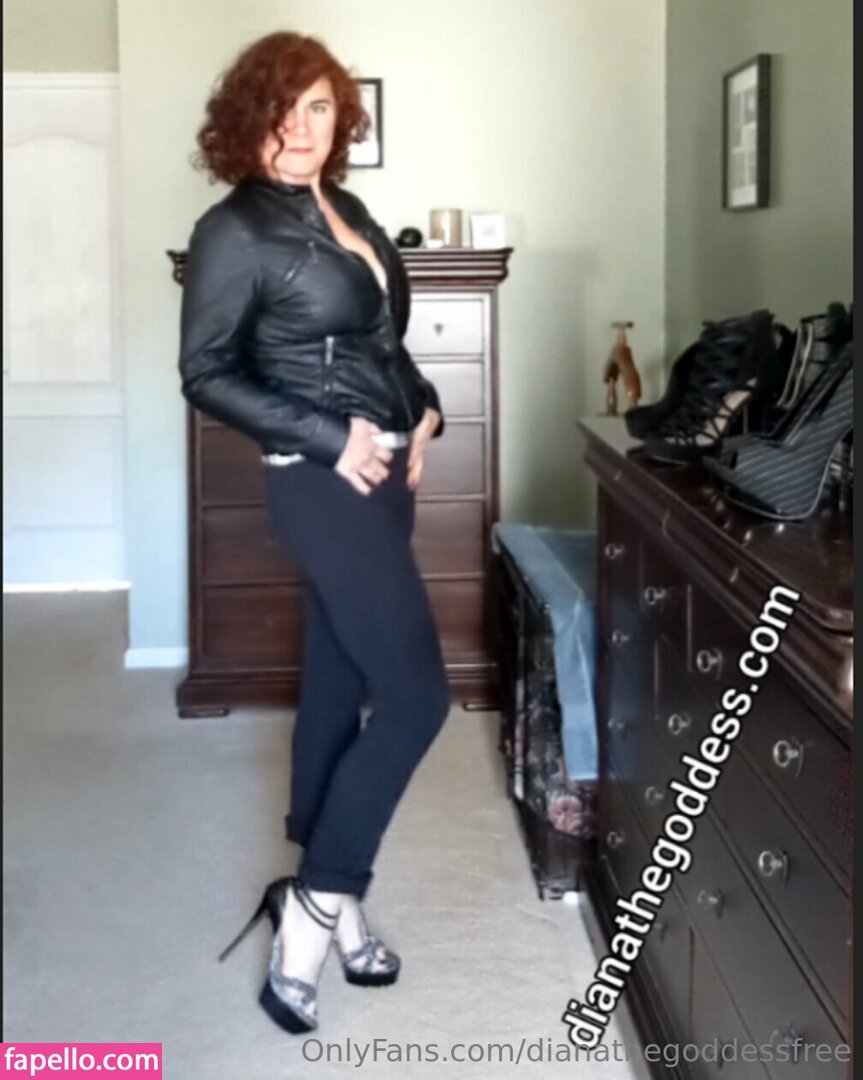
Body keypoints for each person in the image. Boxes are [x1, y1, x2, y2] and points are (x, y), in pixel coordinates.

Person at [177, 31, 451, 1034]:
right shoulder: (230, 230)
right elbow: (205, 373)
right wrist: (335, 438)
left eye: (321, 109)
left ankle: (325, 886)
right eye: (283, 109)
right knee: (418, 698)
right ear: (247, 118)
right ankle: (318, 899)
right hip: (319, 481)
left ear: (343, 121)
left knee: (339, 683)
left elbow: (381, 344)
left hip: (386, 477)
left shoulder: (353, 212)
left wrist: (424, 411)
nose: (301, 129)